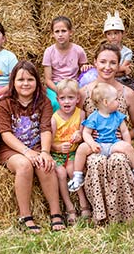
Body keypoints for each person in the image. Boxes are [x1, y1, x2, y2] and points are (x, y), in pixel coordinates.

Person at [79, 43, 134, 223]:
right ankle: (101, 215)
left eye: (113, 62)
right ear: (95, 62)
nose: (107, 67)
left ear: (119, 65)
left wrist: (123, 137)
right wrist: (89, 140)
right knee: (96, 162)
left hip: (118, 143)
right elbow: (80, 125)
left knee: (118, 160)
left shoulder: (127, 94)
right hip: (94, 145)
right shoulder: (84, 92)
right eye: (103, 61)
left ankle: (126, 214)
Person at [0, 61, 65, 233]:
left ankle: (56, 213)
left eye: (30, 79)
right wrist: (27, 152)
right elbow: (5, 134)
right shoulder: (5, 103)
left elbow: (45, 129)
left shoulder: (44, 102)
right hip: (11, 150)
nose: (25, 84)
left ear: (37, 82)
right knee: (24, 165)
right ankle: (25, 215)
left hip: (36, 145)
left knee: (45, 164)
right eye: (20, 80)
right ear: (13, 82)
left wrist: (45, 152)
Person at [68, 82, 134, 192]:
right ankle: (77, 176)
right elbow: (86, 133)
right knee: (82, 148)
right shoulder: (93, 117)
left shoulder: (118, 116)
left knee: (128, 148)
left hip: (113, 144)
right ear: (105, 102)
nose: (118, 102)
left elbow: (124, 132)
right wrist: (92, 144)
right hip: (98, 145)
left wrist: (127, 144)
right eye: (115, 100)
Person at [50, 79, 91, 225]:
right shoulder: (54, 119)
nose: (67, 102)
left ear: (77, 99)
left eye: (71, 98)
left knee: (73, 170)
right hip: (57, 154)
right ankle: (69, 207)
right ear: (57, 99)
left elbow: (82, 135)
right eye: (63, 98)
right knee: (60, 173)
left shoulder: (81, 114)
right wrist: (58, 147)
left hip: (73, 154)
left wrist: (79, 136)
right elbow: (49, 143)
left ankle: (83, 203)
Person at [43, 16, 90, 111]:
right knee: (55, 103)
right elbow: (48, 80)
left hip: (74, 84)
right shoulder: (49, 52)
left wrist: (86, 68)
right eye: (57, 31)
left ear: (70, 32)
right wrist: (59, 90)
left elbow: (84, 73)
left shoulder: (78, 50)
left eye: (63, 31)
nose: (60, 34)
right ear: (52, 34)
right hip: (56, 85)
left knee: (82, 100)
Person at [103, 10, 133, 84]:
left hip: (123, 81)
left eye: (116, 33)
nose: (113, 37)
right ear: (106, 36)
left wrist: (109, 71)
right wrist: (122, 69)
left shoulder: (127, 52)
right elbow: (100, 69)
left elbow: (123, 72)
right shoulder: (103, 51)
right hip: (106, 81)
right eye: (109, 34)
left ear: (122, 33)